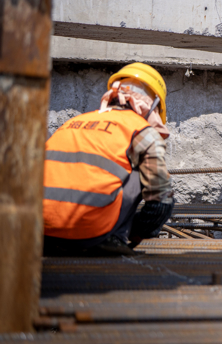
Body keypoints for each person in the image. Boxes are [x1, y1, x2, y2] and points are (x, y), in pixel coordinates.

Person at [43, 63, 174, 256]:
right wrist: (138, 232)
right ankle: (114, 237)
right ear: (154, 106)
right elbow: (161, 202)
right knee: (143, 174)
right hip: (92, 235)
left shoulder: (73, 123)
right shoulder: (141, 130)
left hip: (40, 231)